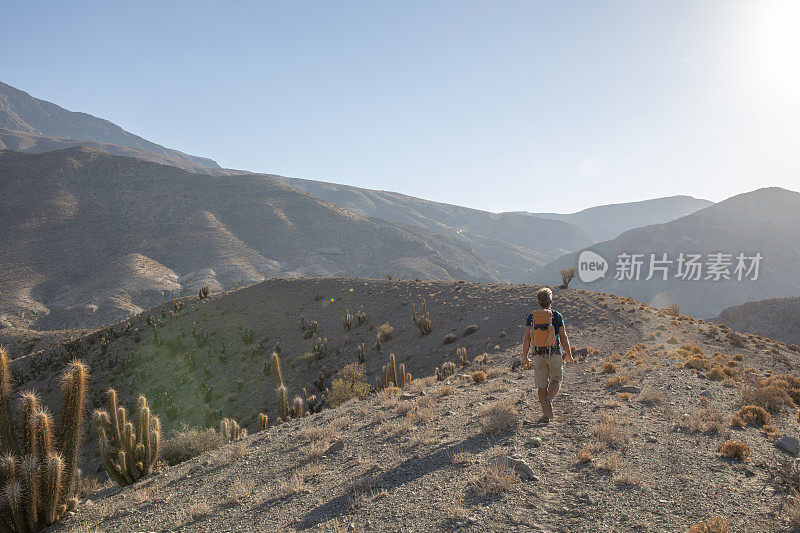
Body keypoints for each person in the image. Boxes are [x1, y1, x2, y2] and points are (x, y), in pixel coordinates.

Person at [522, 287, 574, 423]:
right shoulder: (556, 316)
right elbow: (563, 337)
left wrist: (525, 357)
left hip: (538, 355)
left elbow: (527, 338)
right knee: (557, 378)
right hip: (554, 353)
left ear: (538, 302)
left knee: (541, 386)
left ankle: (545, 415)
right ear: (551, 300)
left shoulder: (531, 317)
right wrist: (569, 355)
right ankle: (549, 399)